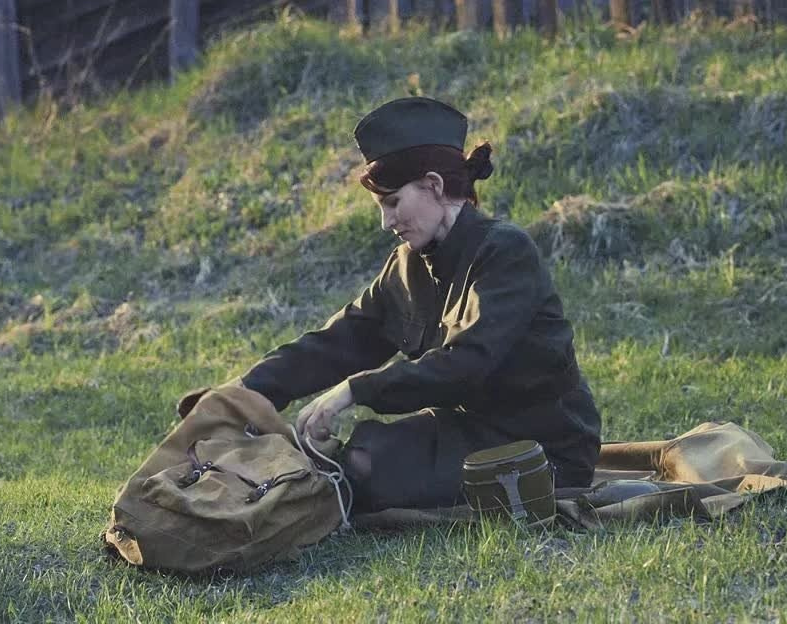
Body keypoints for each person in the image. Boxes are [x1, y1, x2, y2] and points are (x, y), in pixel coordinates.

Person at [210, 97, 601, 513]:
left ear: (433, 186)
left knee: (367, 474)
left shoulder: (505, 251)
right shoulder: (408, 264)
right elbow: (343, 338)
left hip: (545, 445)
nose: (386, 222)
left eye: (393, 202)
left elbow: (467, 363)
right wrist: (244, 392)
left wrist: (355, 390)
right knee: (360, 455)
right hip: (468, 429)